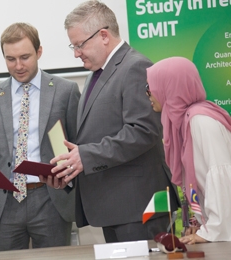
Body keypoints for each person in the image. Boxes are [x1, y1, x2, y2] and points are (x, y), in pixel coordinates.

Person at [47, 0, 179, 243]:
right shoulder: (95, 74)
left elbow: (143, 131)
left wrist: (85, 156)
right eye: (73, 46)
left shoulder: (135, 67)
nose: (76, 53)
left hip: (138, 206)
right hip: (114, 206)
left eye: (79, 45)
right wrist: (70, 166)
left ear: (104, 35)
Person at [0, 22, 80, 251]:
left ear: (39, 52)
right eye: (10, 59)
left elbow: (77, 147)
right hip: (4, 203)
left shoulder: (65, 91)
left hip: (51, 199)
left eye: (25, 57)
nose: (18, 66)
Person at [146, 56, 231, 244]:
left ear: (169, 87)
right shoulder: (185, 123)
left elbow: (222, 176)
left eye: (150, 88)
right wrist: (201, 222)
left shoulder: (201, 121)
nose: (149, 95)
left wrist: (212, 231)